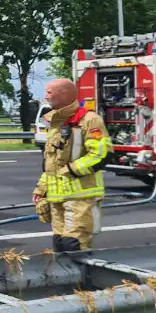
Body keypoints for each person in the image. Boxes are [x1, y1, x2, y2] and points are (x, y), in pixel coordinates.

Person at [32, 78, 112, 252]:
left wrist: (71, 170)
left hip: (80, 197)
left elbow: (101, 154)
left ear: (64, 94)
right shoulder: (55, 122)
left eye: (49, 92)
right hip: (57, 198)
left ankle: (84, 279)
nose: (45, 96)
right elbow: (51, 162)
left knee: (74, 246)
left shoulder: (89, 120)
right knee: (59, 244)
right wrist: (41, 188)